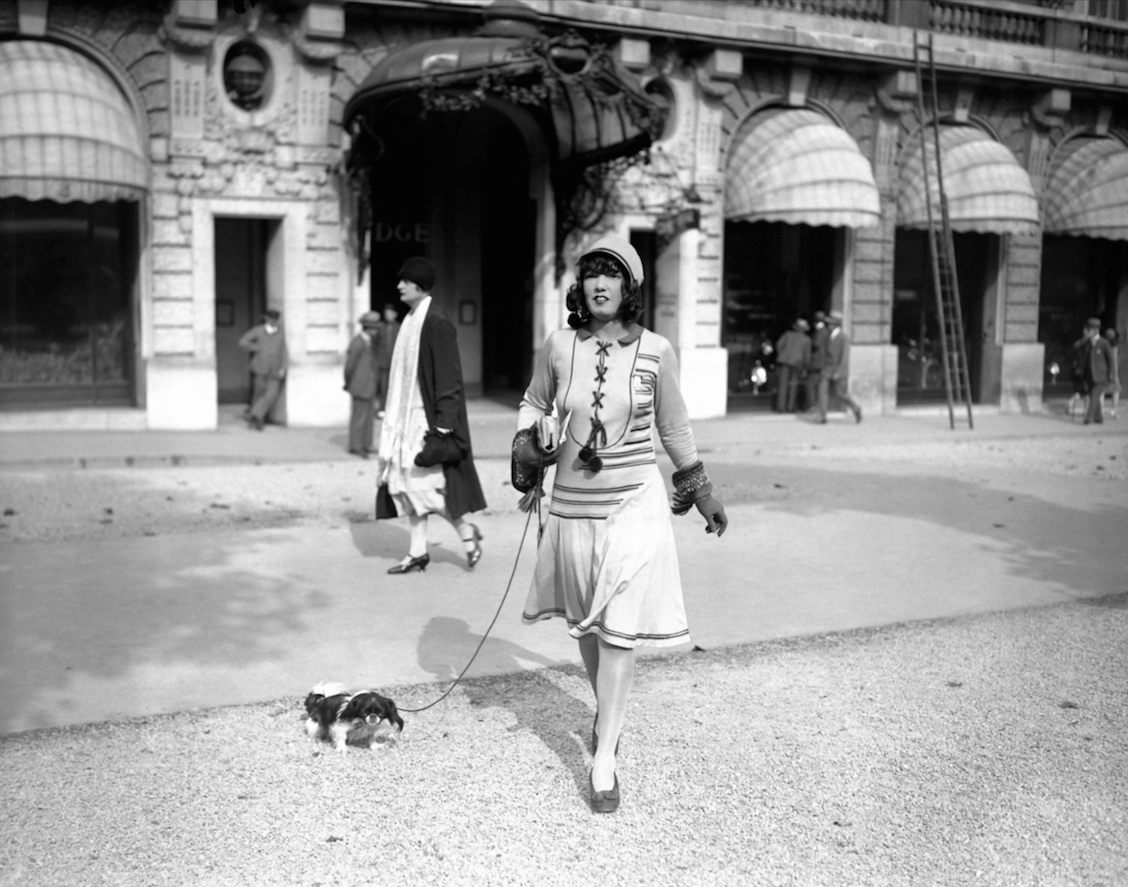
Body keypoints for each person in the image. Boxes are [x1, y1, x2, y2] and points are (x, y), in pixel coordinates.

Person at [515, 235, 728, 814]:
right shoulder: (559, 345)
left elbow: (675, 427)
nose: (600, 284)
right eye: (591, 275)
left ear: (629, 287)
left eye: (612, 274)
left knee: (617, 629)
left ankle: (604, 755)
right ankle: (610, 717)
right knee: (585, 626)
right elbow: (534, 402)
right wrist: (531, 435)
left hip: (635, 503)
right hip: (572, 505)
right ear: (579, 287)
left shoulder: (658, 350)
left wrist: (699, 489)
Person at [375, 257, 487, 574]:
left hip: (425, 422)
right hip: (404, 420)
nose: (398, 286)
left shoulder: (436, 323)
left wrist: (443, 427)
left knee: (421, 488)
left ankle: (466, 533)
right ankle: (417, 551)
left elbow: (449, 380)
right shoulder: (410, 321)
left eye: (404, 281)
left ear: (419, 284)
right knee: (405, 486)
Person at [238, 308, 287, 430]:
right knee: (258, 394)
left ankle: (255, 414)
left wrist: (283, 367)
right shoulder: (258, 331)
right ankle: (257, 420)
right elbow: (243, 342)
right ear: (266, 318)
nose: (274, 321)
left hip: (275, 368)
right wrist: (256, 348)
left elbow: (284, 351)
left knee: (272, 393)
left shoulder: (280, 333)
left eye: (276, 319)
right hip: (260, 367)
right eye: (271, 319)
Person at [344, 311, 382, 457]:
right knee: (359, 417)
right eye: (374, 328)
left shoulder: (370, 342)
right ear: (368, 328)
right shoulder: (357, 343)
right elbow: (349, 367)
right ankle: (355, 446)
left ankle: (366, 444)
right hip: (359, 385)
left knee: (368, 418)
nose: (376, 331)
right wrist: (349, 383)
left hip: (370, 385)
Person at [817, 310, 862, 424]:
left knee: (840, 393)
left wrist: (839, 371)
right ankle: (823, 416)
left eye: (831, 323)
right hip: (827, 369)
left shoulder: (843, 337)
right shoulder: (828, 335)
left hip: (838, 370)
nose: (829, 325)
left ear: (836, 324)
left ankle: (856, 408)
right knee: (822, 391)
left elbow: (844, 356)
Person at [1080, 317, 1114, 425]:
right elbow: (1077, 349)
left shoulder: (1104, 343)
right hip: (1090, 376)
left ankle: (1088, 418)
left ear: (1095, 330)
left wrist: (1111, 375)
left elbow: (1111, 360)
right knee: (1093, 396)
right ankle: (1099, 417)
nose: (1087, 331)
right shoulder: (1087, 342)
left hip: (1101, 376)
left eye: (1089, 329)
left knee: (1094, 396)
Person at [774, 318, 812, 413]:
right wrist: (805, 367)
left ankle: (780, 406)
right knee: (793, 385)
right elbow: (807, 355)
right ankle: (790, 407)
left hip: (785, 361)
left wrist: (783, 354)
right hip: (797, 363)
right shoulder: (807, 339)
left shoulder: (787, 334)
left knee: (783, 384)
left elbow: (779, 345)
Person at [374, 304, 400, 420]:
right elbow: (375, 344)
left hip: (395, 363)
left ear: (395, 314)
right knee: (383, 387)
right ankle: (382, 409)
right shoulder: (381, 327)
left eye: (390, 313)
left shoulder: (399, 327)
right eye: (386, 313)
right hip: (383, 362)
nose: (388, 315)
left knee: (395, 387)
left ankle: (394, 410)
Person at [806, 310, 828, 412]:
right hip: (820, 363)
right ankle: (816, 406)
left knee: (811, 385)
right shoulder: (825, 331)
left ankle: (813, 406)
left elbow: (816, 344)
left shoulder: (820, 331)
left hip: (817, 363)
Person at [1102, 327, 1121, 420]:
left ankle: (1100, 411)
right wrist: (1115, 374)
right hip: (1112, 372)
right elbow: (1114, 361)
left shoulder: (1102, 344)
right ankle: (1113, 410)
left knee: (1101, 391)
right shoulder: (1114, 346)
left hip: (1102, 371)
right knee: (1116, 391)